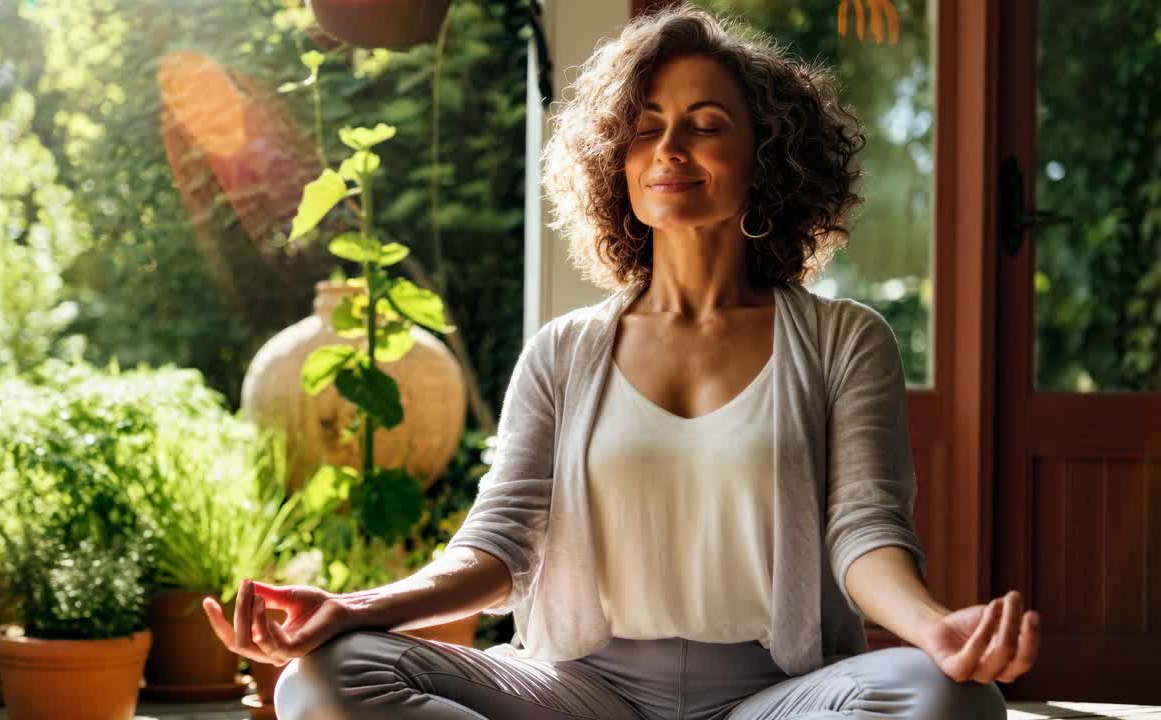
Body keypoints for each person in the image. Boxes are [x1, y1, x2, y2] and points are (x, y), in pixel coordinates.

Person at [203, 6, 1040, 719]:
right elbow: (496, 549)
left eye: (706, 125)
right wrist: (349, 608)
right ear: (619, 163)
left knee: (952, 698)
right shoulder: (564, 352)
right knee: (326, 679)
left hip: (772, 695)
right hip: (579, 693)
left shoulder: (844, 340)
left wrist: (935, 627)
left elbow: (865, 534)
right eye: (645, 129)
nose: (670, 147)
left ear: (769, 156)